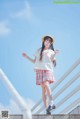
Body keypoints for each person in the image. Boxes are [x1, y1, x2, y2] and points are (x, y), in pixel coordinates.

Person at [22, 35, 59, 114]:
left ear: (51, 43)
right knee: (43, 90)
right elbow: (34, 62)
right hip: (39, 70)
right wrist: (27, 57)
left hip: (47, 70)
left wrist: (55, 54)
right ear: (43, 41)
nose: (47, 42)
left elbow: (52, 59)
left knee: (46, 84)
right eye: (46, 41)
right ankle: (46, 109)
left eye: (49, 42)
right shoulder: (38, 50)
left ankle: (51, 102)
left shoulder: (51, 51)